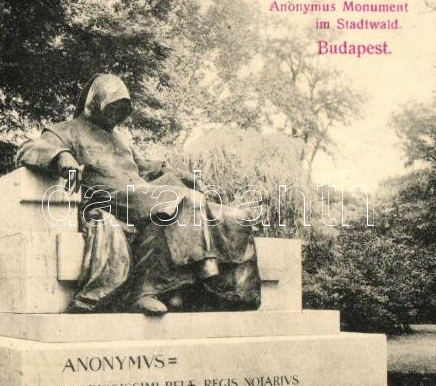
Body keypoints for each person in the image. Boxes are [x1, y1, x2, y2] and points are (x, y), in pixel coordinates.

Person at [16, 73, 261, 315]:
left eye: (122, 109)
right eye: (112, 107)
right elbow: (29, 148)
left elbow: (144, 167)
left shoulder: (120, 140)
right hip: (108, 198)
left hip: (141, 195)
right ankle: (156, 287)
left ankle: (228, 293)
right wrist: (62, 156)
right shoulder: (67, 130)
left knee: (235, 218)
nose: (116, 115)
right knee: (185, 198)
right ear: (95, 103)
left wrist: (185, 176)